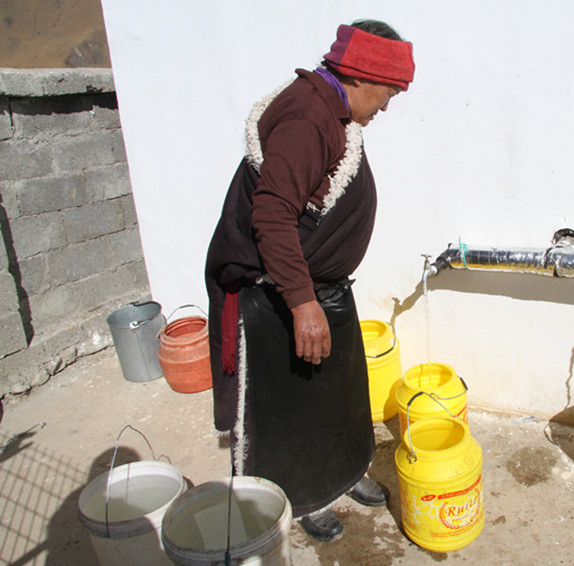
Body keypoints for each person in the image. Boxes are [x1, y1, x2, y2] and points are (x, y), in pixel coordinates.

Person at [204, 19, 414, 542]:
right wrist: (301, 303)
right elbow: (273, 214)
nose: (387, 106)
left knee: (336, 395)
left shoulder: (333, 107)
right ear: (361, 76)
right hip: (279, 294)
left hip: (321, 288)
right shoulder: (306, 118)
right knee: (288, 408)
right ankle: (299, 494)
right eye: (388, 92)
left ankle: (340, 474)